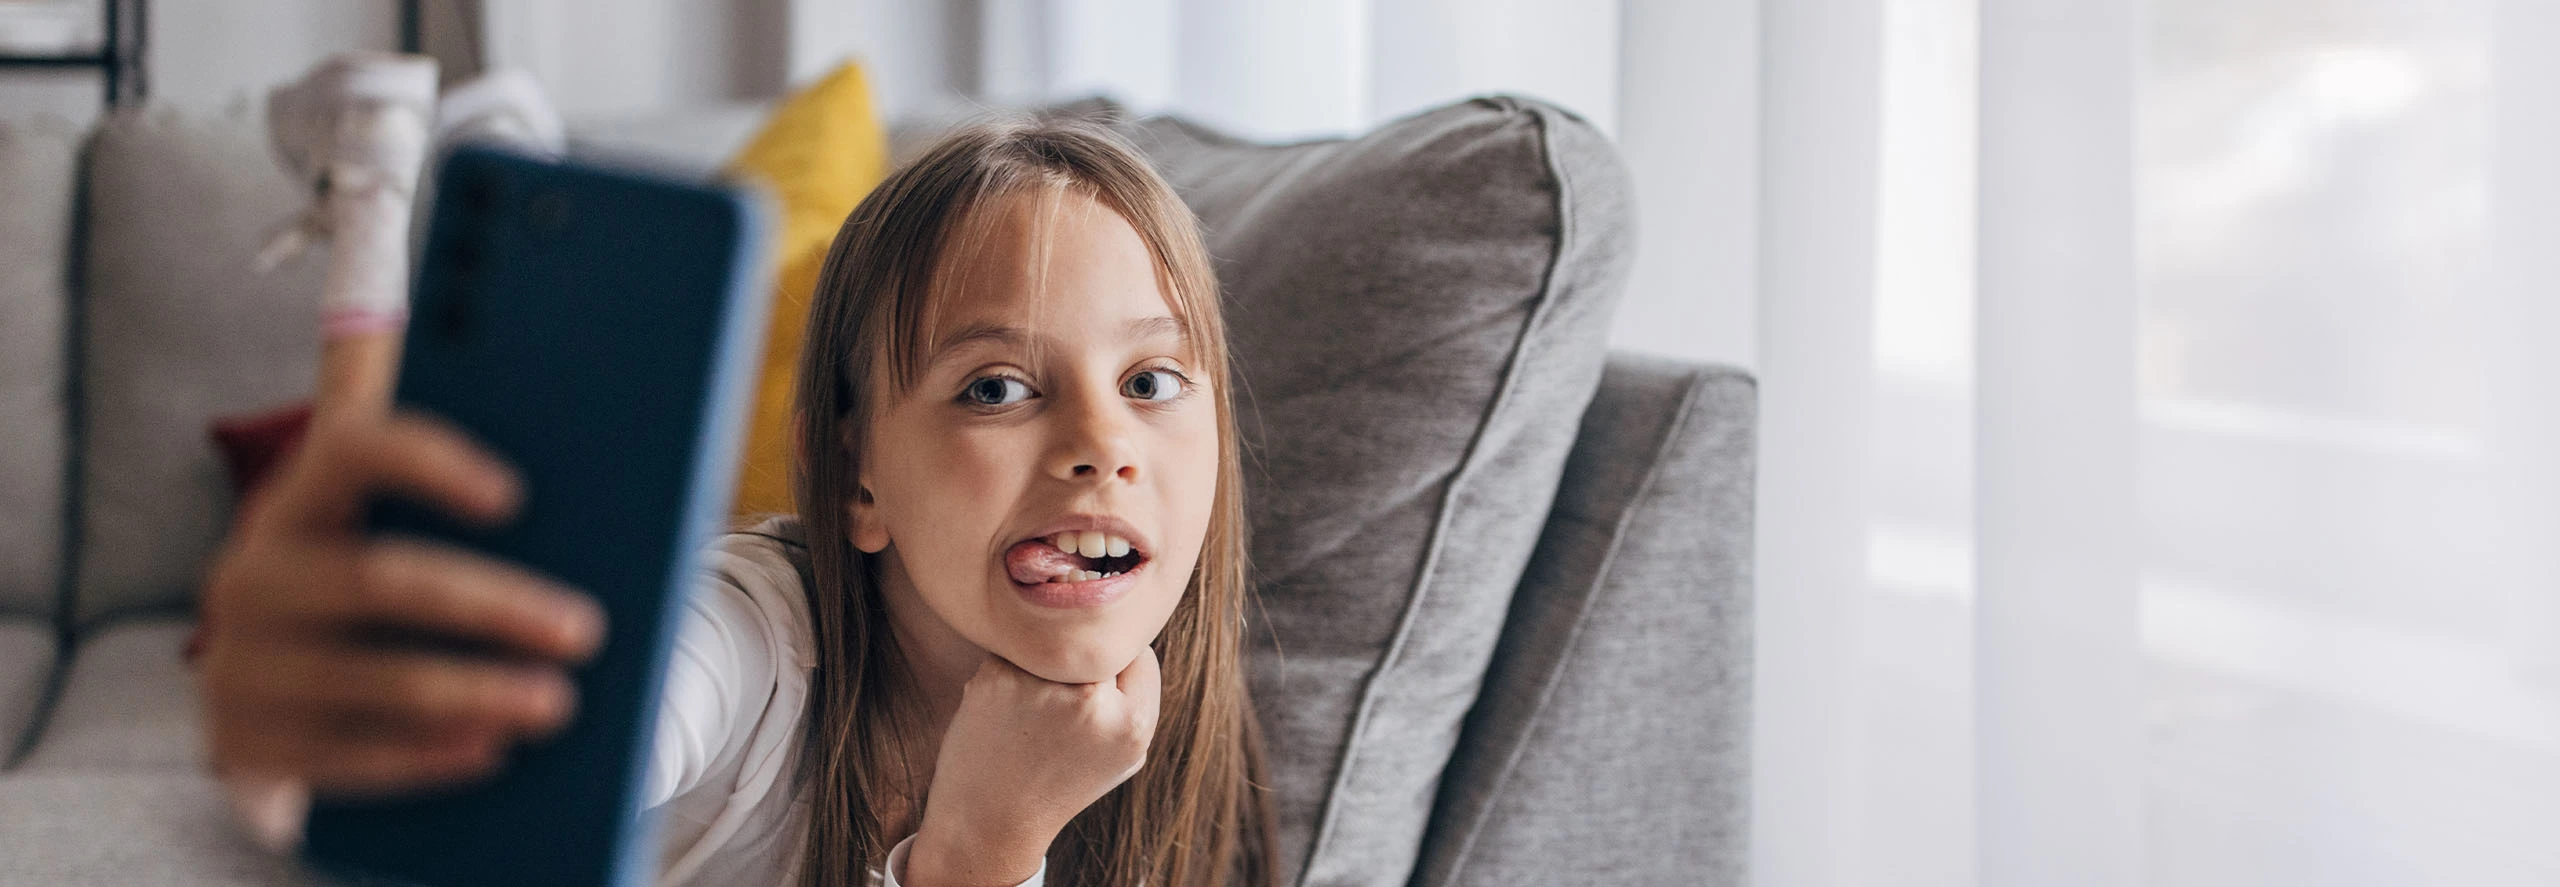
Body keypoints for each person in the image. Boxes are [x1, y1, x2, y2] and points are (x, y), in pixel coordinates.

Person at [194, 111, 1280, 886]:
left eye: (1152, 381)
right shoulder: (751, 644)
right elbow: (577, 720)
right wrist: (978, 856)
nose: (1103, 444)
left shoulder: (1188, 747)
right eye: (996, 387)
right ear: (857, 478)